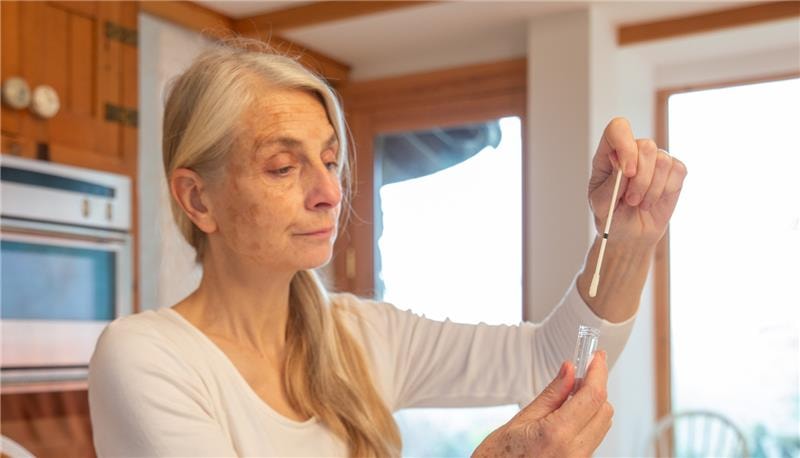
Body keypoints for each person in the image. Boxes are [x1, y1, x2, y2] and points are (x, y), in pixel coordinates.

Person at [88, 40, 686, 457]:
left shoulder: (360, 335)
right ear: (197, 200)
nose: (329, 192)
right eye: (281, 166)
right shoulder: (148, 359)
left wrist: (631, 240)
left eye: (329, 160)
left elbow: (548, 361)